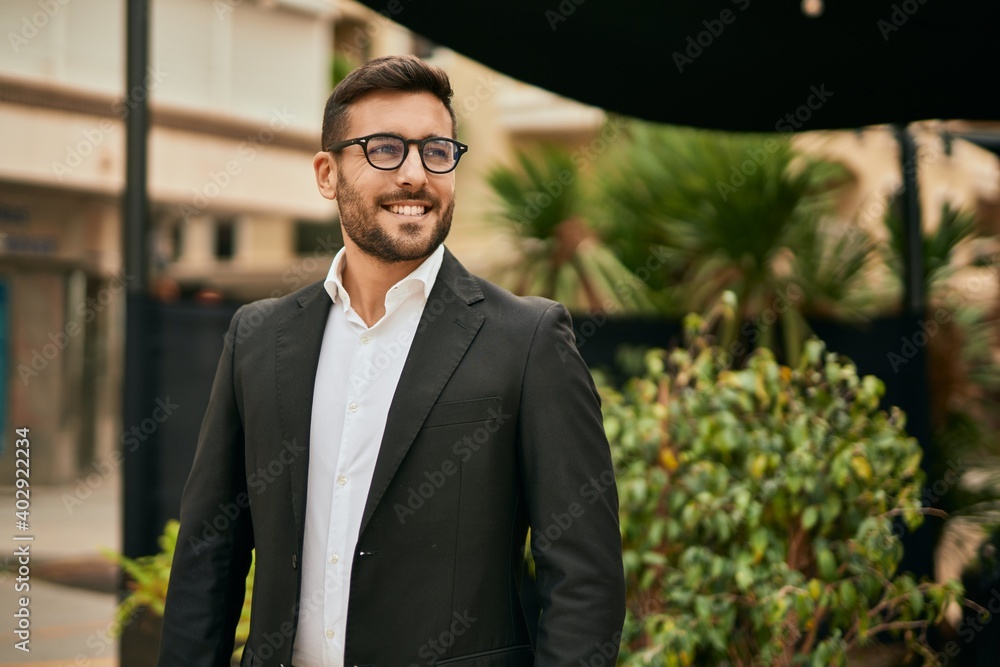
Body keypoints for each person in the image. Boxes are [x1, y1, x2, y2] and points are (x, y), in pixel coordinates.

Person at [158, 54, 625, 667]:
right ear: (327, 174)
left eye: (436, 151)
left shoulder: (529, 341)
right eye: (385, 149)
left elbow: (585, 580)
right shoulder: (259, 337)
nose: (415, 174)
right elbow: (208, 556)